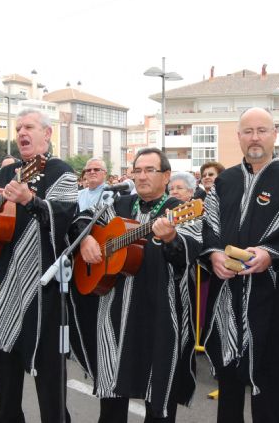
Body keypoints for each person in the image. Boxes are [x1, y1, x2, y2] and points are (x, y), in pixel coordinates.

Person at [201, 108, 279, 422]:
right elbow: (208, 227)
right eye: (248, 131)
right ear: (238, 136)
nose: (255, 137)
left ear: (275, 135)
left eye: (262, 130)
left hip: (272, 293)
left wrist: (271, 253)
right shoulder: (224, 181)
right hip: (228, 293)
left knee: (269, 378)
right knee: (228, 378)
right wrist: (214, 254)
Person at [0, 108, 78, 423]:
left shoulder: (61, 172)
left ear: (47, 134)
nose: (21, 133)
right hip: (5, 284)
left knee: (49, 376)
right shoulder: (4, 173)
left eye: (28, 127)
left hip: (44, 290)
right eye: (17, 129)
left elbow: (64, 217)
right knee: (7, 374)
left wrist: (30, 200)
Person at [70, 147, 202, 422]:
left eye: (149, 170)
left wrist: (171, 239)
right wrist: (87, 240)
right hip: (113, 311)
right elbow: (81, 221)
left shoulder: (178, 210)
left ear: (166, 176)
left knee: (158, 396)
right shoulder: (117, 204)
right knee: (111, 399)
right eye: (137, 170)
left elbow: (191, 251)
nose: (141, 176)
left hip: (159, 314)